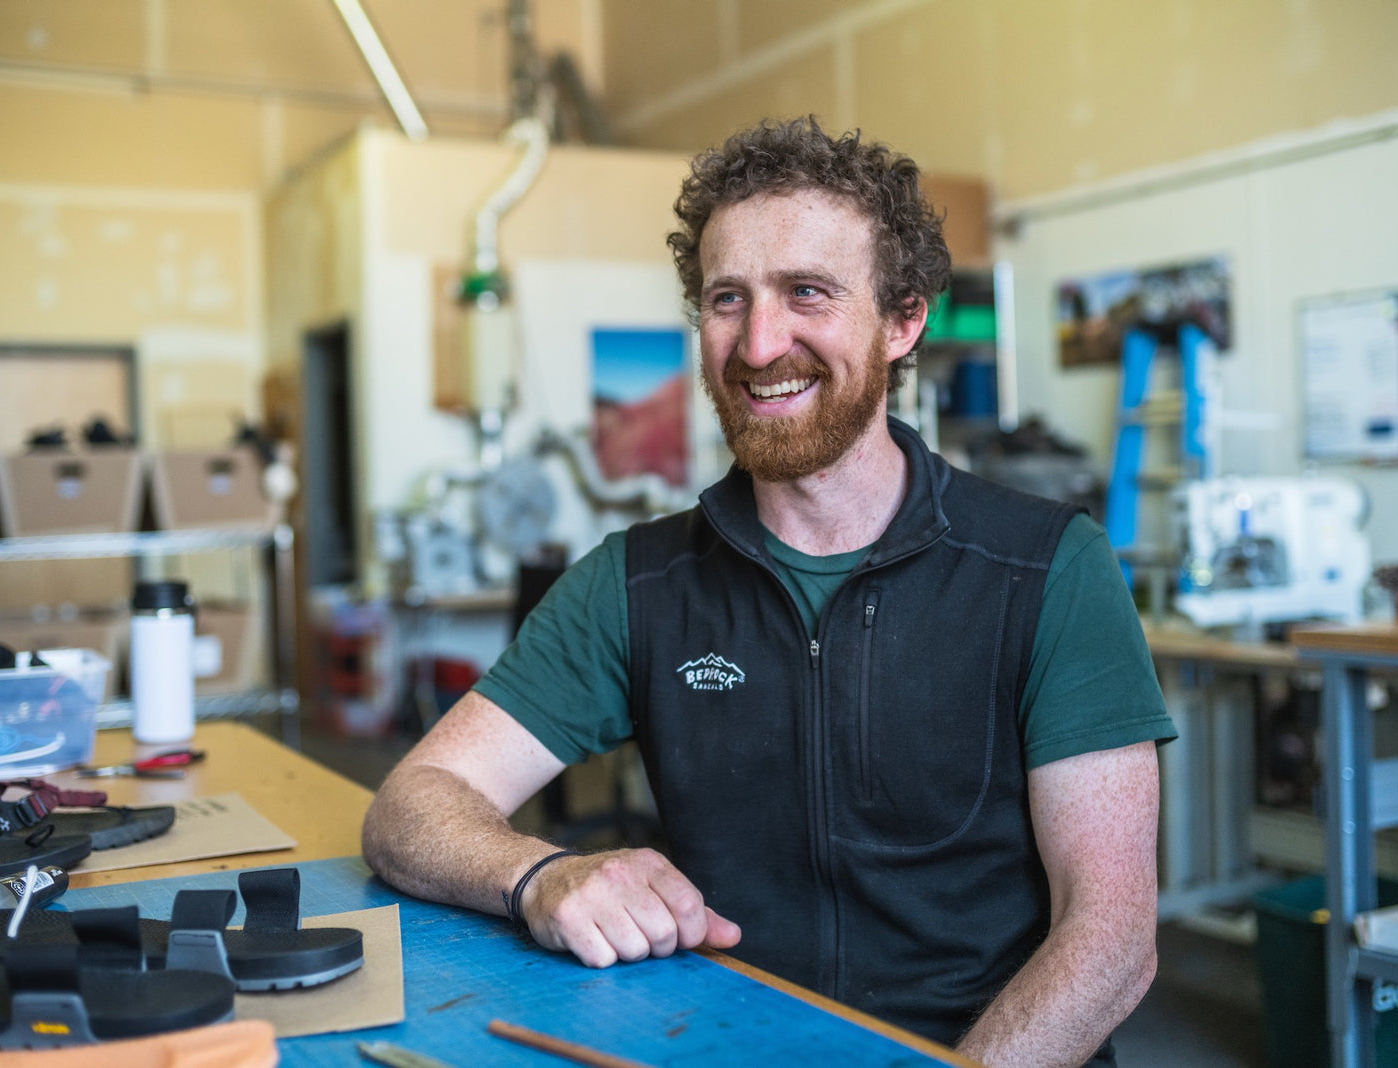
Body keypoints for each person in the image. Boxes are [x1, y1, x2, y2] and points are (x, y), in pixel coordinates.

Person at [363, 116, 1176, 1068]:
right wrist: (538, 875)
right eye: (726, 299)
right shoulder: (637, 584)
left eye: (807, 293)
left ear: (903, 320)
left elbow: (1112, 940)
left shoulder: (1047, 570)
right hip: (724, 1042)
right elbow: (411, 804)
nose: (758, 344)